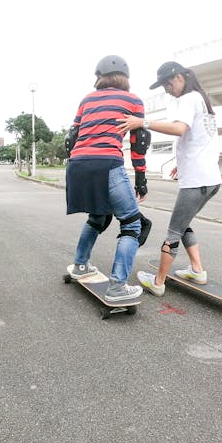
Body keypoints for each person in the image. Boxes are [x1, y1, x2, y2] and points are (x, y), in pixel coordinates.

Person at [117, 61, 221, 297]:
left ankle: (158, 282)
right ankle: (197, 269)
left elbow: (179, 129)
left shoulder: (188, 98)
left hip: (196, 180)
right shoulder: (203, 100)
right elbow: (199, 139)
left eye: (166, 83)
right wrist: (180, 163)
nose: (166, 89)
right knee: (184, 224)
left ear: (179, 78)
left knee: (174, 230)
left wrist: (142, 122)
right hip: (210, 179)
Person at [65, 55, 152, 301]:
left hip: (77, 164)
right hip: (107, 164)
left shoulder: (86, 100)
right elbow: (138, 143)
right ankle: (117, 287)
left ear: (99, 77)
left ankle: (81, 265)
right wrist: (141, 181)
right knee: (133, 225)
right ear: (126, 78)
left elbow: (71, 138)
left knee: (98, 216)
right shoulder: (133, 100)